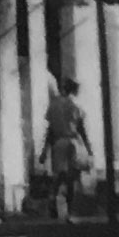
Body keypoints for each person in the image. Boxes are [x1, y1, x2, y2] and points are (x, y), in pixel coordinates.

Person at [41, 79, 92, 224]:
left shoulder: (54, 105)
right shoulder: (75, 106)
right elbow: (81, 129)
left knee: (58, 176)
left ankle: (52, 200)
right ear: (73, 90)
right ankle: (68, 212)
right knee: (71, 178)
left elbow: (50, 130)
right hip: (72, 142)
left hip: (58, 142)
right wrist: (88, 148)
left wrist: (45, 150)